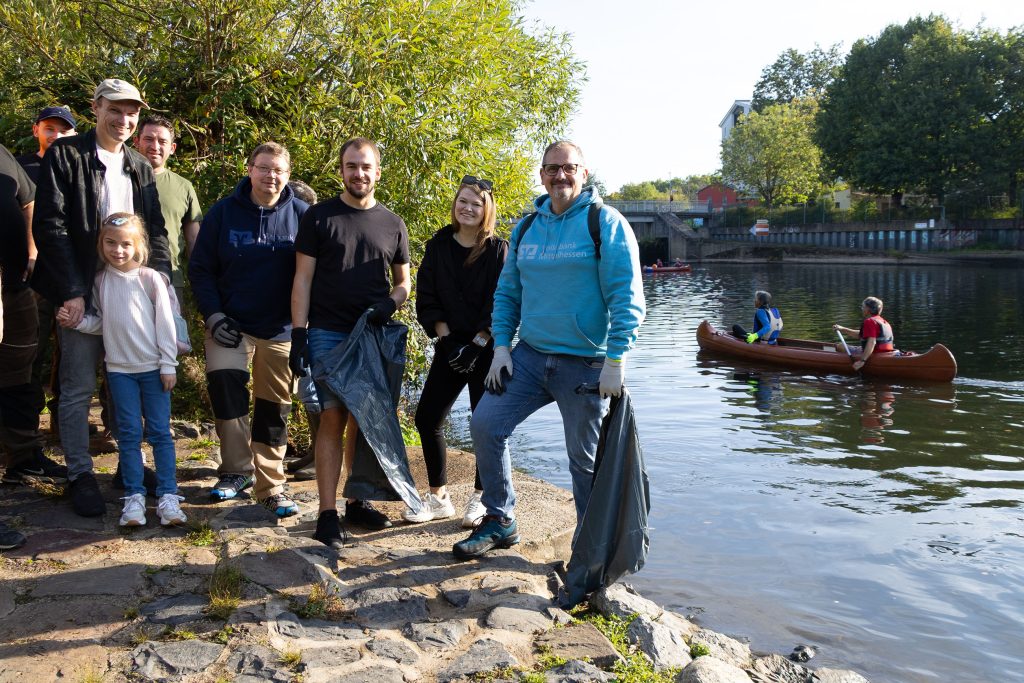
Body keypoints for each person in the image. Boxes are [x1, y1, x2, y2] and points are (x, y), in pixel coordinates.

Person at [453, 140, 645, 561]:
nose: (561, 175)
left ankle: (589, 551)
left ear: (584, 173)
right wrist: (502, 347)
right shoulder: (526, 228)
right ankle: (501, 520)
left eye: (569, 168)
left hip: (587, 364)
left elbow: (626, 299)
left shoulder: (604, 224)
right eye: (552, 169)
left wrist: (616, 359)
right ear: (541, 175)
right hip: (530, 357)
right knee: (486, 424)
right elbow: (507, 294)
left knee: (584, 463)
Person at [31, 78, 170, 516]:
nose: (124, 119)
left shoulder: (139, 165)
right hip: (82, 289)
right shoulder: (66, 155)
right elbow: (50, 226)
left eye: (132, 112)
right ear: (96, 108)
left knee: (122, 381)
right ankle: (79, 473)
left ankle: (128, 468)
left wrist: (160, 282)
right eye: (116, 109)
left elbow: (156, 231)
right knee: (76, 386)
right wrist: (71, 291)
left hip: (131, 291)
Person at [290, 136, 411, 547]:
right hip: (326, 332)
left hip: (371, 334)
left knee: (363, 418)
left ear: (378, 171)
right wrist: (298, 334)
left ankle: (357, 499)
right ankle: (326, 513)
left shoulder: (393, 223)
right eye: (351, 166)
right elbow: (302, 279)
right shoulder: (319, 217)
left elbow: (404, 283)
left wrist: (389, 305)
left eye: (365, 166)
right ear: (341, 170)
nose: (358, 173)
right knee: (332, 416)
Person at [189, 142, 307, 518]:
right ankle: (236, 471)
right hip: (230, 324)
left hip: (281, 328)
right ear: (250, 169)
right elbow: (201, 270)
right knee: (226, 388)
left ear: (287, 175)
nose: (270, 176)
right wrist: (213, 316)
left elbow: (316, 277)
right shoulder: (223, 213)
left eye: (278, 170)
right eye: (264, 168)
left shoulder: (304, 216)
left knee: (274, 408)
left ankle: (271, 485)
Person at [58, 213, 184, 526]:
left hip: (154, 369)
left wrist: (168, 364)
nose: (118, 250)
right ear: (101, 245)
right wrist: (79, 322)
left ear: (138, 245)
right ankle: (134, 498)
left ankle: (168, 495)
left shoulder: (150, 279)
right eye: (111, 243)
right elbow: (104, 322)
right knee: (127, 435)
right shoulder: (101, 281)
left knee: (159, 433)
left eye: (126, 244)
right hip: (119, 372)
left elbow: (165, 326)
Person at [408, 176, 508, 526]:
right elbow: (428, 296)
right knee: (428, 418)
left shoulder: (498, 250)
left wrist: (478, 344)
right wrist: (448, 341)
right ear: (455, 204)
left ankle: (481, 498)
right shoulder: (438, 246)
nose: (467, 208)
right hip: (450, 346)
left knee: (485, 423)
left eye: (476, 204)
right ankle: (438, 497)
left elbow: (504, 301)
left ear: (486, 210)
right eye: (463, 201)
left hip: (486, 350)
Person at [1, 143, 67, 488]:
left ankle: (23, 458)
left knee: (21, 373)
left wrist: (30, 250)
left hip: (15, 284)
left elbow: (28, 201)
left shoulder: (3, 155)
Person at [17, 106, 77, 428]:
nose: (56, 136)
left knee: (71, 353)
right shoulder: (19, 167)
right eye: (50, 128)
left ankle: (62, 421)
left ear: (75, 136)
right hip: (32, 275)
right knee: (31, 349)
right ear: (36, 130)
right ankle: (24, 423)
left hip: (72, 274)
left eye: (63, 130)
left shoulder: (82, 169)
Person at [134, 115, 202, 302]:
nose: (155, 146)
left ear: (172, 148)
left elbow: (194, 240)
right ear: (136, 141)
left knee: (170, 331)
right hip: (124, 276)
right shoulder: (121, 178)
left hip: (169, 279)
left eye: (162, 141)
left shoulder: (184, 186)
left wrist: (202, 283)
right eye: (148, 139)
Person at [834, 296, 895, 371]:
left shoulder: (869, 322)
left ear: (868, 309)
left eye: (863, 307)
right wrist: (842, 329)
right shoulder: (883, 321)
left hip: (875, 353)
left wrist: (862, 361)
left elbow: (872, 342)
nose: (862, 309)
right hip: (886, 352)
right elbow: (861, 335)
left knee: (839, 346)